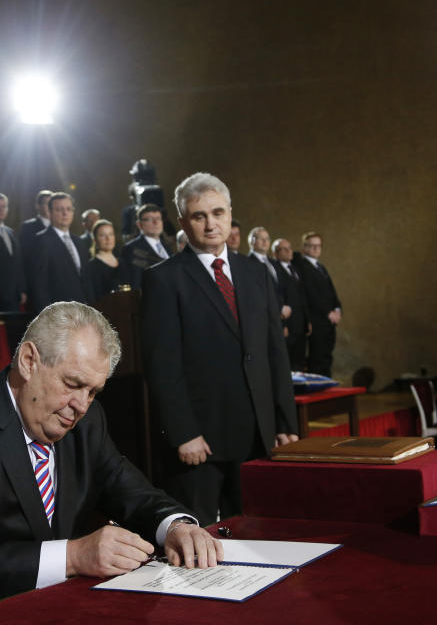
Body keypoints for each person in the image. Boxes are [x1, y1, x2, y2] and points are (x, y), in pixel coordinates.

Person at [0, 302, 220, 624]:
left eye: (93, 391)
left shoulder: (87, 422)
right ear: (28, 361)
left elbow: (134, 492)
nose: (82, 405)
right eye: (72, 384)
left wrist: (176, 526)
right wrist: (73, 556)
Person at [140, 172, 298, 526]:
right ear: (182, 222)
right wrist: (183, 433)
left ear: (229, 213)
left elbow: (275, 351)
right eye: (199, 216)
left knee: (258, 535)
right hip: (199, 443)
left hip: (257, 436)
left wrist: (285, 420)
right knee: (197, 548)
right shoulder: (163, 279)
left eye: (218, 213)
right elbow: (162, 365)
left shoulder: (256, 273)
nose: (211, 224)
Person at [28, 192, 89, 311]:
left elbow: (86, 279)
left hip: (83, 312)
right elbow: (39, 285)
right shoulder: (40, 241)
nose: (65, 213)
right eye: (59, 209)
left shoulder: (79, 242)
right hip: (58, 314)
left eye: (68, 209)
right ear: (49, 213)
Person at [293, 231, 341, 376]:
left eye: (318, 246)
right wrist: (328, 312)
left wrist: (338, 309)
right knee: (317, 359)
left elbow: (332, 292)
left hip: (329, 321)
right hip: (317, 319)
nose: (315, 249)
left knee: (326, 357)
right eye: (311, 246)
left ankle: (327, 392)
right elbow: (312, 294)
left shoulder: (321, 267)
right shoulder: (302, 266)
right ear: (304, 247)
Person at [271, 238, 310, 371]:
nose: (289, 251)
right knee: (287, 363)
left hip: (300, 325)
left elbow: (302, 297)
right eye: (284, 249)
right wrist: (283, 325)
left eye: (290, 248)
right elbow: (278, 299)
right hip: (288, 325)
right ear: (275, 253)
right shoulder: (274, 271)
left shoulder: (295, 269)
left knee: (299, 361)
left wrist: (307, 320)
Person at [120, 203, 172, 289]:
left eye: (158, 218)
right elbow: (135, 282)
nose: (156, 222)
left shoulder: (167, 247)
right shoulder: (131, 248)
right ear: (139, 224)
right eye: (150, 219)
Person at [83, 219, 128, 302]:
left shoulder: (122, 262)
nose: (108, 238)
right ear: (95, 240)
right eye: (102, 235)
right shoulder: (91, 266)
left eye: (111, 234)